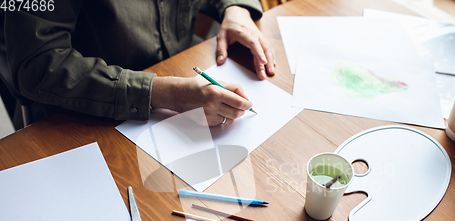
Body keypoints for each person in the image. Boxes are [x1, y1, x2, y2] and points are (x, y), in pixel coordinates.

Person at [4, 0, 276, 129]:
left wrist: (236, 8)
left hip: (182, 85)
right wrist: (166, 93)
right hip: (84, 118)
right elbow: (38, 63)